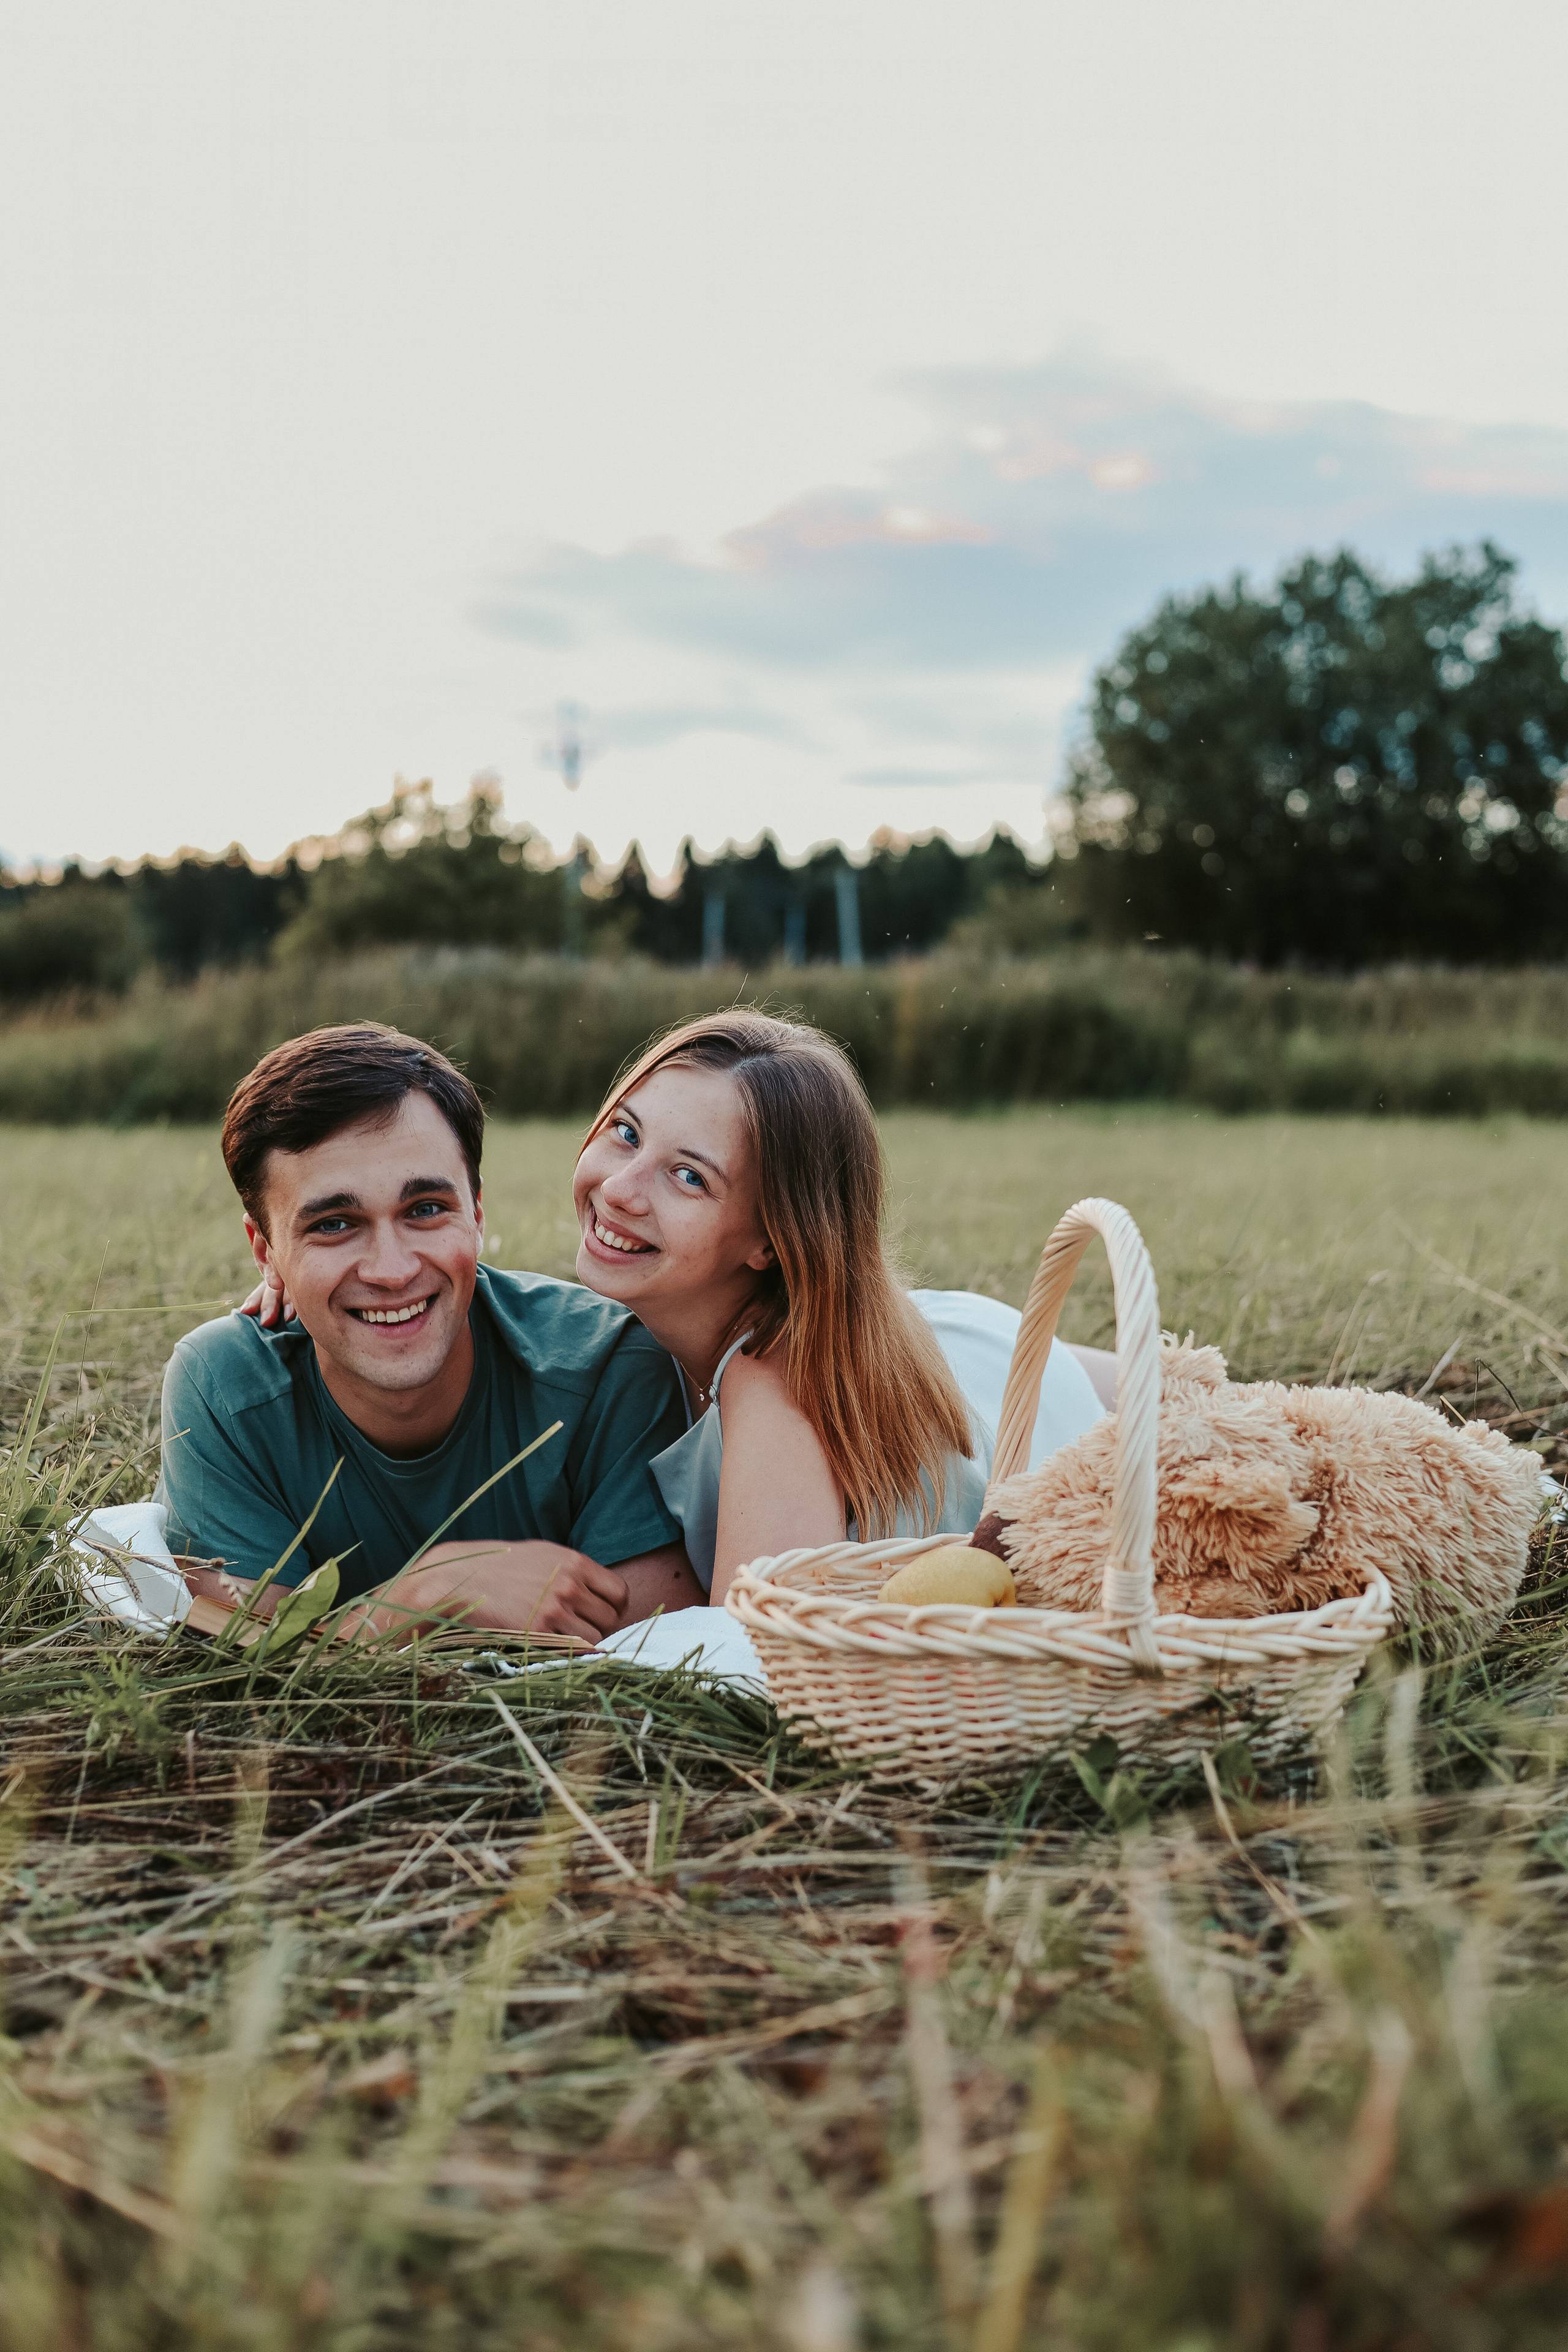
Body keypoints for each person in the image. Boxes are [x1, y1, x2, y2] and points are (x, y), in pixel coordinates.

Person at [158, 1024, 703, 1642]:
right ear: (267, 1252)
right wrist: (428, 1594)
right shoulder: (224, 1384)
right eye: (334, 1225)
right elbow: (240, 1650)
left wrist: (353, 1633)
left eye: (424, 1210)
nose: (392, 1271)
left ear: (476, 1212)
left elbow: (659, 1647)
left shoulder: (609, 1364)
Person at [569, 1012, 1112, 1602]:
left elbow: (756, 1655)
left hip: (1058, 1439)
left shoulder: (770, 1380)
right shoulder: (845, 1322)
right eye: (626, 1132)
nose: (620, 1188)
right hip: (991, 1355)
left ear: (772, 1240)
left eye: (688, 1176)